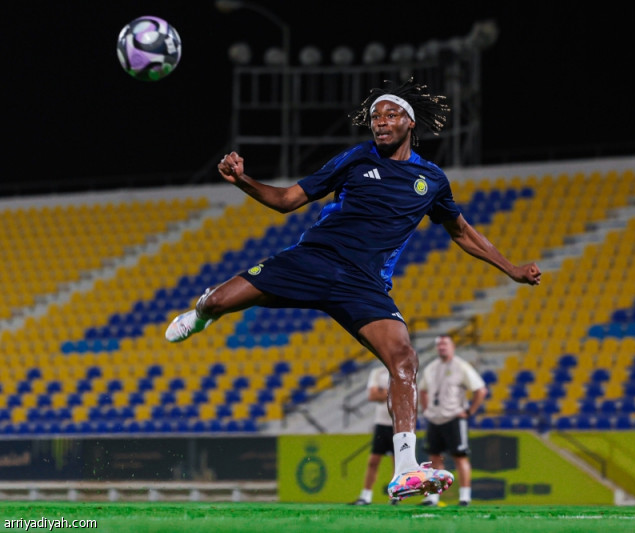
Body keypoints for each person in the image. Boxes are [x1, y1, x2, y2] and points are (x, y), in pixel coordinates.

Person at [164, 78, 542, 502]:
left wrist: (510, 269)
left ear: (410, 122)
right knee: (218, 301)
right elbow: (288, 199)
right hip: (313, 260)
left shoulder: (431, 180)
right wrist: (242, 180)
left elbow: (461, 232)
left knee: (404, 359)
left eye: (390, 114)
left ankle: (404, 470)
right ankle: (200, 312)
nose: (380, 122)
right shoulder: (355, 159)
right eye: (375, 116)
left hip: (364, 284)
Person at [418, 334, 488, 507]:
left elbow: (480, 390)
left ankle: (465, 497)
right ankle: (433, 497)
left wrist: (469, 411)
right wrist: (426, 410)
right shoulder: (431, 368)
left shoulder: (461, 366)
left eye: (445, 344)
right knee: (434, 458)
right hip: (435, 419)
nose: (442, 347)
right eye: (439, 345)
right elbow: (423, 390)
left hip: (454, 418)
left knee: (460, 457)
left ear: (453, 347)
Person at [350, 364, 394, 505]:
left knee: (397, 464)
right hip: (381, 423)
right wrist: (391, 393)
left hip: (398, 424)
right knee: (373, 461)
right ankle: (366, 495)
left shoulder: (403, 369)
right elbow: (372, 395)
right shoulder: (378, 372)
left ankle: (395, 497)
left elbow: (404, 395)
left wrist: (383, 392)